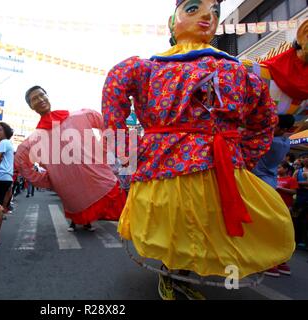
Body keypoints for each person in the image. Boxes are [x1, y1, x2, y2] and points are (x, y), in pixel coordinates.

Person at [102, 0, 294, 300]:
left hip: (219, 171)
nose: (208, 15)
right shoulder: (143, 68)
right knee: (173, 229)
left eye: (215, 12)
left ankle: (182, 277)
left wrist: (237, 157)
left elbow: (264, 121)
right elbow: (113, 103)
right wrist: (126, 159)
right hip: (165, 170)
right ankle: (172, 276)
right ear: (171, 21)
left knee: (203, 231)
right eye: (193, 8)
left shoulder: (241, 73)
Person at [15, 86, 126, 232]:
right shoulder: (34, 140)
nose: (40, 99)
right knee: (76, 204)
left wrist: (103, 153)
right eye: (34, 99)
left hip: (98, 178)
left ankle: (84, 222)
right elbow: (21, 163)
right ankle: (76, 222)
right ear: (31, 106)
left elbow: (105, 125)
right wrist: (49, 181)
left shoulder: (78, 117)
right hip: (71, 189)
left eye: (42, 95)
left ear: (47, 96)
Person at [252, 114, 295, 188]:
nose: (269, 128)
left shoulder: (271, 141)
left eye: (274, 126)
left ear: (283, 129)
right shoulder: (287, 142)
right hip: (271, 181)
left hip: (258, 180)